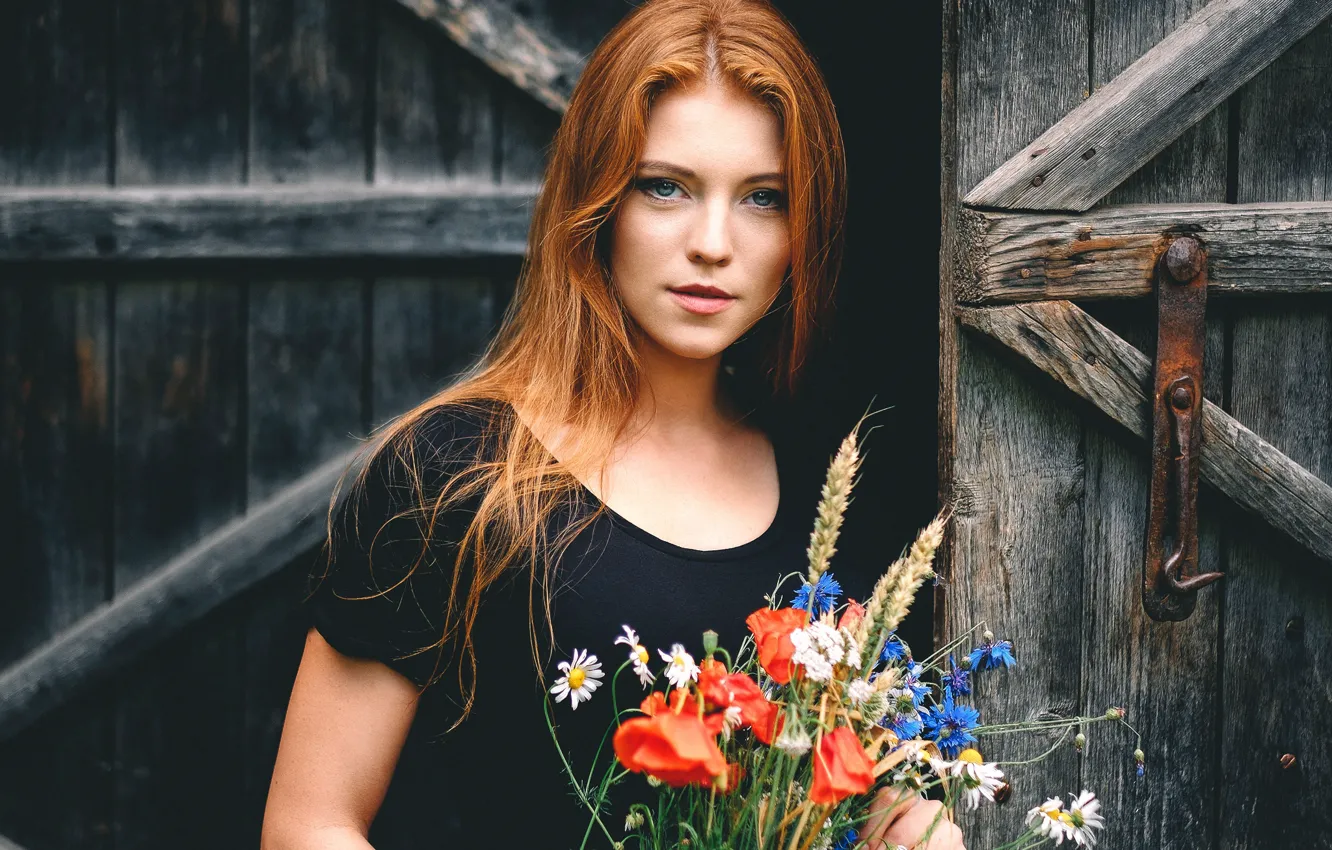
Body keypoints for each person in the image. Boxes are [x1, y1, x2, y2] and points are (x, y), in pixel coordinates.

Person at [261, 1, 964, 848]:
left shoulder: (837, 488)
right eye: (665, 186)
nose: (713, 242)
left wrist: (907, 823)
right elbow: (310, 822)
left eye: (763, 198)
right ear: (597, 201)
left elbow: (850, 791)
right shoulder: (453, 475)